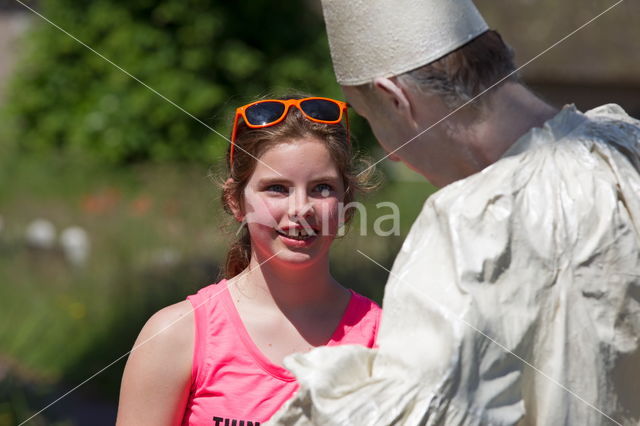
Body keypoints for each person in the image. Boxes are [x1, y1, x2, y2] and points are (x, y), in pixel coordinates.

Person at [268, 1, 640, 425]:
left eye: (371, 119)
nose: (391, 152)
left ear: (396, 99)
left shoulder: (472, 222)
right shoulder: (630, 149)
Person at [116, 95, 382, 426]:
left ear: (346, 202)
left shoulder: (383, 339)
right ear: (236, 201)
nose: (301, 208)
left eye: (322, 188)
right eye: (277, 188)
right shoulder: (175, 336)